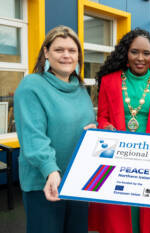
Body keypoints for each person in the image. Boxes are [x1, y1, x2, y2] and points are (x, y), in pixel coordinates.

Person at [88, 29, 150, 233]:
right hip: (118, 155)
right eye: (134, 52)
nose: (140, 58)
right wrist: (106, 126)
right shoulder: (110, 80)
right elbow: (103, 115)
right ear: (126, 53)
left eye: (146, 53)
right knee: (121, 214)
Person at [14, 26, 96, 233]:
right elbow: (33, 136)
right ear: (46, 53)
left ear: (78, 55)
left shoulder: (80, 88)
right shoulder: (32, 86)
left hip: (78, 181)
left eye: (72, 50)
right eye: (59, 50)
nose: (66, 55)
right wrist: (50, 170)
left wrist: (95, 133)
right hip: (46, 182)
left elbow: (84, 126)